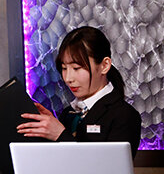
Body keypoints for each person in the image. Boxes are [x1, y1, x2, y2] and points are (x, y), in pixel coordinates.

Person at [17, 26, 141, 156]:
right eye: (64, 68)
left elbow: (108, 167)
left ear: (104, 65)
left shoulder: (124, 115)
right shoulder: (68, 114)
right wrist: (48, 128)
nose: (68, 78)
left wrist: (60, 134)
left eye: (76, 68)